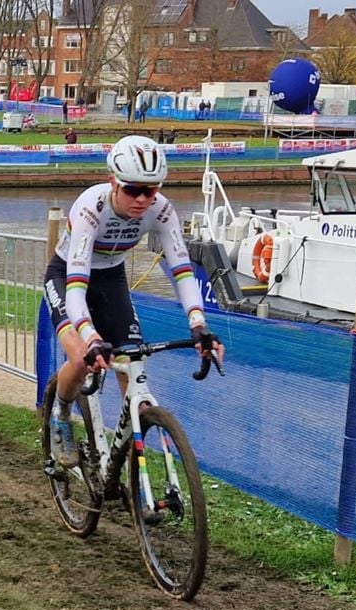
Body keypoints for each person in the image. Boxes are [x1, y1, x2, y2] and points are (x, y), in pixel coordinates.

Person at [43, 135, 223, 466]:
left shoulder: (162, 211)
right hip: (68, 276)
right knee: (82, 356)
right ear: (113, 181)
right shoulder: (90, 209)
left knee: (133, 360)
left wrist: (199, 324)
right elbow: (76, 288)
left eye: (150, 190)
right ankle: (61, 413)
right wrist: (92, 337)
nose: (142, 199)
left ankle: (129, 458)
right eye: (132, 189)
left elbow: (182, 270)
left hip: (111, 278)